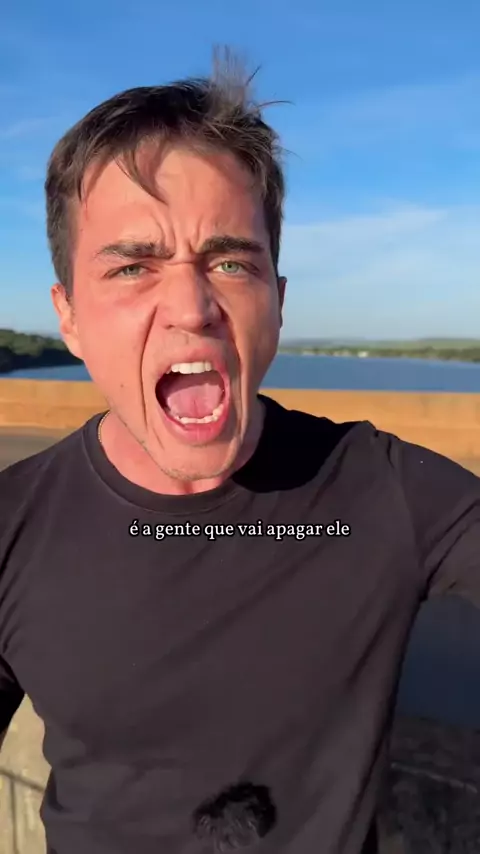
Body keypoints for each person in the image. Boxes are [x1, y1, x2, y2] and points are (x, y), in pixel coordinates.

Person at [0, 51, 479, 854]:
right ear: (69, 317)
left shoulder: (388, 491)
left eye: (230, 262)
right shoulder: (14, 527)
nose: (192, 306)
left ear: (277, 303)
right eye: (133, 266)